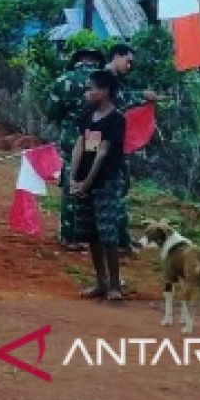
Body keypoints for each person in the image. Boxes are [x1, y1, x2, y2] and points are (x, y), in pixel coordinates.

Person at [69, 70, 128, 303]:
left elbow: (103, 152)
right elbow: (84, 146)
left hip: (106, 181)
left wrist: (86, 182)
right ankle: (101, 281)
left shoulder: (116, 120)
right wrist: (74, 178)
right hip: (87, 180)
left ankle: (114, 284)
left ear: (104, 91)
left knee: (108, 234)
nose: (88, 92)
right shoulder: (88, 115)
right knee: (92, 233)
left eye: (92, 88)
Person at [47, 47, 105, 251]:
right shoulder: (104, 81)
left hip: (71, 135)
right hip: (95, 134)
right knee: (90, 176)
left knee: (71, 178)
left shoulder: (63, 80)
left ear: (77, 60)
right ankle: (89, 233)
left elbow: (53, 112)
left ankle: (69, 235)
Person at [106, 43, 158, 254]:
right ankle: (117, 243)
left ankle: (121, 239)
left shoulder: (115, 80)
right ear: (116, 56)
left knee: (118, 190)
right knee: (113, 192)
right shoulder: (105, 78)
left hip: (111, 144)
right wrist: (141, 96)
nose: (130, 66)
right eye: (128, 60)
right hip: (105, 145)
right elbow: (116, 101)